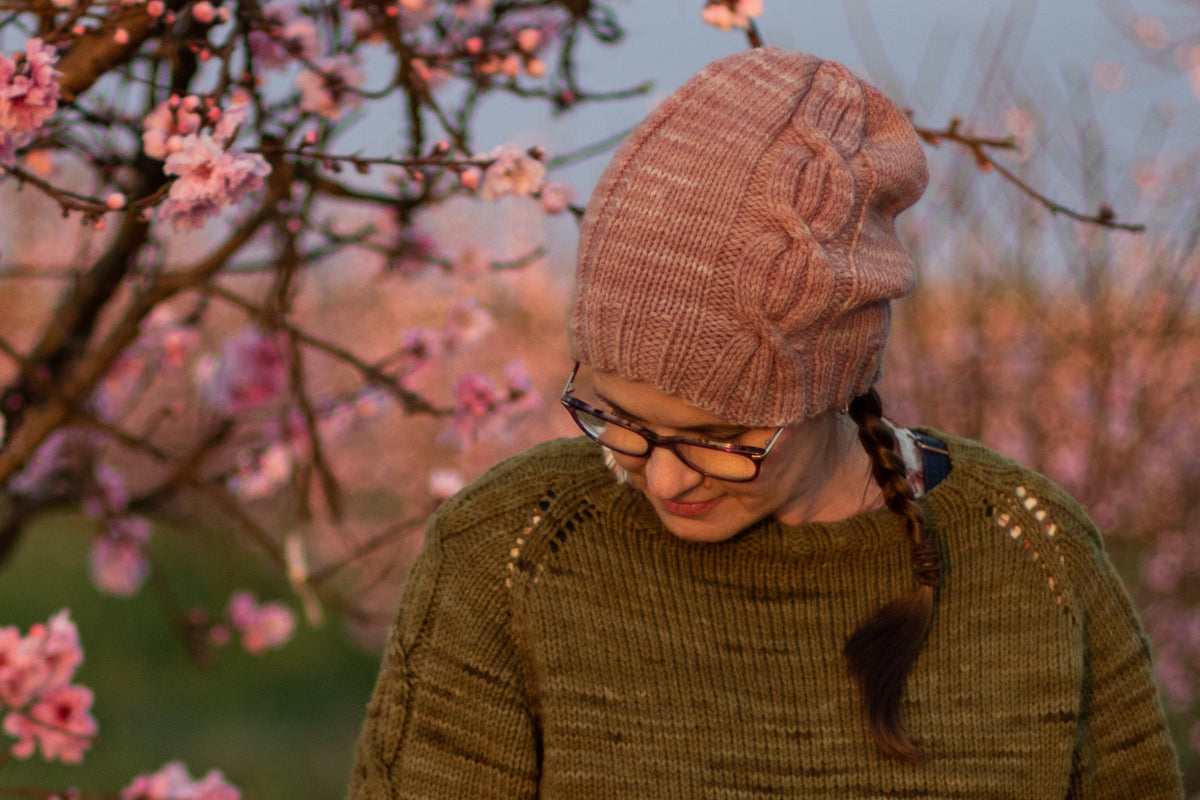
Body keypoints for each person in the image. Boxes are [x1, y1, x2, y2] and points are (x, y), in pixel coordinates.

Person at [345, 48, 1183, 798]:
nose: (665, 478)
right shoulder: (510, 551)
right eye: (617, 419)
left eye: (720, 440)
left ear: (832, 382)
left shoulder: (1033, 555)